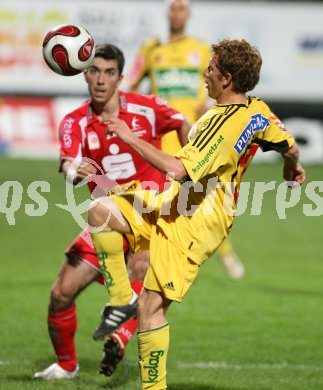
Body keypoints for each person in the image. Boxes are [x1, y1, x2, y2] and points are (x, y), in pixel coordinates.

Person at [88, 38, 306, 389]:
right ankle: (119, 300)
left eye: (212, 68)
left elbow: (177, 169)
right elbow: (289, 144)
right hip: (179, 201)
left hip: (197, 220)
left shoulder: (220, 125)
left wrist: (129, 137)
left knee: (151, 308)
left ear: (227, 78)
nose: (205, 73)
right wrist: (291, 167)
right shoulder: (257, 109)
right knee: (100, 209)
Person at [34, 43, 190, 380]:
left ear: (120, 78)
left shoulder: (146, 109)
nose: (101, 79)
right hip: (106, 218)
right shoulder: (75, 122)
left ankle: (120, 333)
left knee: (142, 266)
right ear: (84, 74)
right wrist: (76, 170)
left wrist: (190, 164)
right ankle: (66, 365)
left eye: (109, 72)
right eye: (94, 71)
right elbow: (68, 163)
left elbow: (181, 122)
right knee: (60, 293)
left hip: (149, 215)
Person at [128, 0, 245, 280]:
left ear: (188, 13)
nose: (176, 13)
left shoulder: (202, 50)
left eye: (181, 8)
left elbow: (222, 85)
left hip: (195, 135)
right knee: (159, 200)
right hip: (160, 138)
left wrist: (209, 104)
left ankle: (224, 252)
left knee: (203, 195)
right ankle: (143, 255)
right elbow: (130, 87)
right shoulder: (152, 50)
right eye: (173, 8)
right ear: (167, 12)